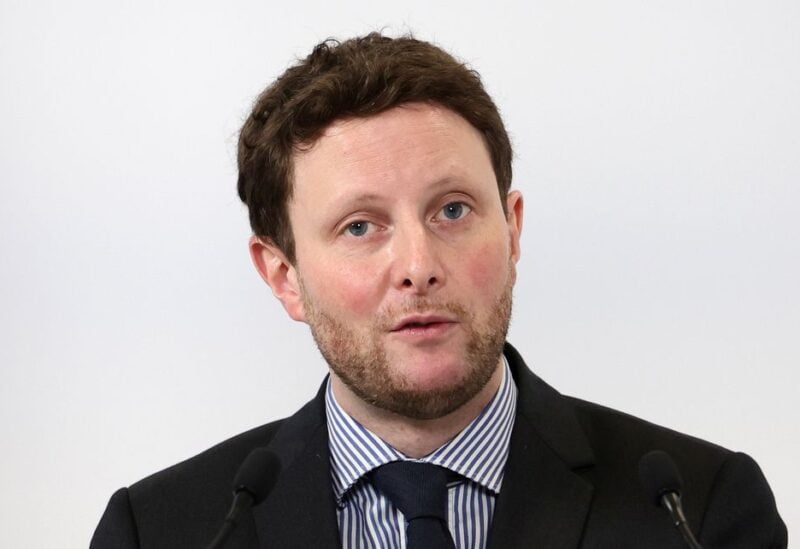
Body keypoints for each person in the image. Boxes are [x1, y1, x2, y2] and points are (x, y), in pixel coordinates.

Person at [91, 33, 787, 549]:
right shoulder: (159, 531)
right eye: (361, 225)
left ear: (512, 232)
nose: (417, 265)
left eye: (452, 210)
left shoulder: (697, 510)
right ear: (284, 276)